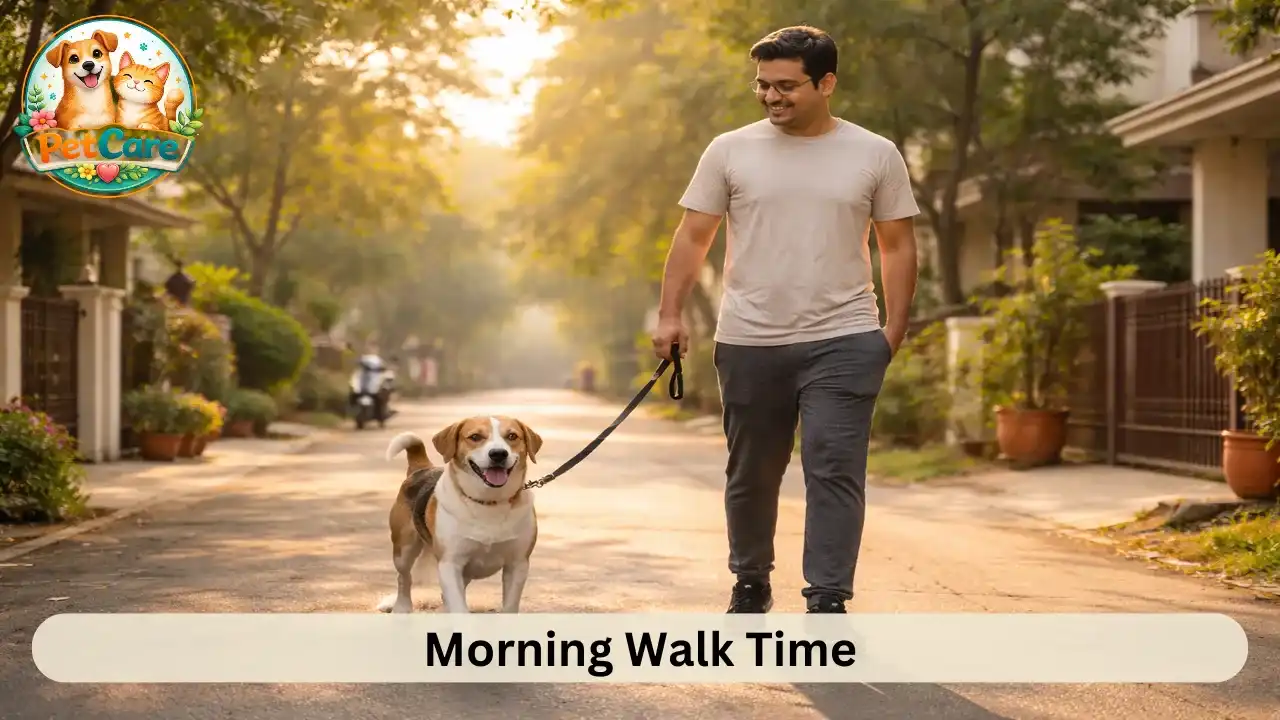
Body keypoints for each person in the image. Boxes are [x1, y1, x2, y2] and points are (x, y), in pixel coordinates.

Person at [650, 25, 919, 614]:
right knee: (752, 473)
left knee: (834, 471)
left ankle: (827, 596)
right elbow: (694, 237)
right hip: (750, 338)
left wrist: (890, 334)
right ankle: (750, 578)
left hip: (845, 337)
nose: (772, 97)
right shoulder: (729, 150)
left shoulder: (874, 153)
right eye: (762, 85)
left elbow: (897, 245)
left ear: (827, 83)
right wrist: (670, 313)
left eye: (787, 86)